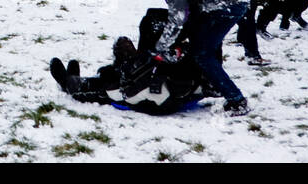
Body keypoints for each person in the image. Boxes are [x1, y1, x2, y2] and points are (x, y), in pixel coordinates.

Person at [139, 0, 250, 116]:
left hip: (226, 5)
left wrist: (161, 46)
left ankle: (236, 100)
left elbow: (177, 19)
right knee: (207, 45)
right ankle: (212, 84)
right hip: (231, 1)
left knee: (202, 53)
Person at [49, 9, 207, 115]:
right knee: (113, 71)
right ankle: (80, 80)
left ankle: (68, 83)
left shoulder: (155, 66)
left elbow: (125, 92)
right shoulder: (184, 53)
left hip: (147, 95)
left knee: (104, 84)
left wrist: (113, 73)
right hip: (161, 87)